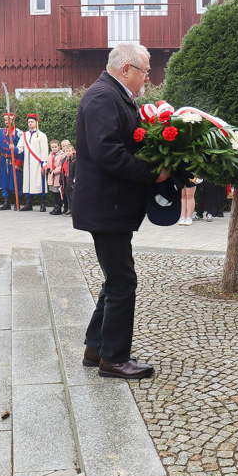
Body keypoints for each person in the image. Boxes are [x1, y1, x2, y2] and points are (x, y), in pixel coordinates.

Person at [73, 42, 169, 380]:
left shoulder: (113, 95)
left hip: (110, 205)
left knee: (116, 279)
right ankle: (113, 359)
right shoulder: (103, 97)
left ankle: (95, 347)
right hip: (106, 205)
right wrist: (151, 172)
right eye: (144, 72)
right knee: (123, 282)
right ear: (126, 69)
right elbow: (108, 153)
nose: (147, 78)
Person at [0, 114, 23, 210]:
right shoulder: (1, 132)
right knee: (4, 181)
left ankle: (16, 202)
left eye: (8, 120)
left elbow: (22, 149)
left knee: (15, 182)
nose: (6, 122)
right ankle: (6, 202)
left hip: (14, 160)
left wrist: (18, 163)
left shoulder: (18, 133)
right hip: (3, 159)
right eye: (5, 120)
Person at [19, 114, 49, 211]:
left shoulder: (42, 135)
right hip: (28, 164)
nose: (30, 124)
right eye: (29, 122)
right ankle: (29, 203)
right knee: (28, 182)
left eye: (32, 122)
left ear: (36, 123)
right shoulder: (25, 135)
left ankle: (43, 204)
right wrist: (14, 149)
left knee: (40, 183)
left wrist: (43, 165)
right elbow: (20, 148)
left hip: (37, 163)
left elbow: (44, 150)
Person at [45, 139, 65, 215]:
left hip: (57, 176)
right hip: (52, 177)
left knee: (58, 193)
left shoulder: (62, 155)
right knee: (54, 193)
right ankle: (55, 206)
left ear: (59, 146)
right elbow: (48, 163)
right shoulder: (50, 155)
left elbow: (61, 166)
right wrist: (48, 168)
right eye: (52, 147)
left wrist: (54, 171)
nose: (54, 149)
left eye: (55, 147)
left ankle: (59, 208)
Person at [61, 140, 75, 216]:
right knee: (68, 195)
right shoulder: (64, 160)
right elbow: (62, 171)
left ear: (73, 151)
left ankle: (74, 210)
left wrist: (75, 179)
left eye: (69, 151)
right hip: (66, 180)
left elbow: (76, 170)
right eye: (66, 151)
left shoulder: (74, 160)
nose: (68, 152)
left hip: (72, 179)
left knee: (73, 196)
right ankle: (69, 209)